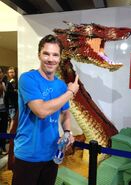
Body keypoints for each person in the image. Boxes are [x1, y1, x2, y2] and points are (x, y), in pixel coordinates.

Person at [12, 34, 79, 185]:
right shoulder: (27, 79)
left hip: (52, 154)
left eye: (55, 55)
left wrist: (67, 132)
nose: (51, 59)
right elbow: (41, 111)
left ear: (60, 58)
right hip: (28, 155)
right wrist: (70, 92)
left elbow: (64, 112)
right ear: (39, 55)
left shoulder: (61, 85)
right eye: (46, 53)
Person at [5, 66, 18, 132]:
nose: (12, 74)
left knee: (15, 122)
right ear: (8, 73)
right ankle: (10, 139)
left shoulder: (17, 82)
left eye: (13, 72)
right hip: (11, 105)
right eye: (10, 72)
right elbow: (7, 95)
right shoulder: (7, 82)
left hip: (17, 105)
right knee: (12, 121)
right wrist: (15, 91)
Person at [0, 67, 9, 155]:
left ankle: (3, 147)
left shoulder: (3, 83)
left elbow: (6, 97)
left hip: (4, 110)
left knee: (3, 129)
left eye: (0, 73)